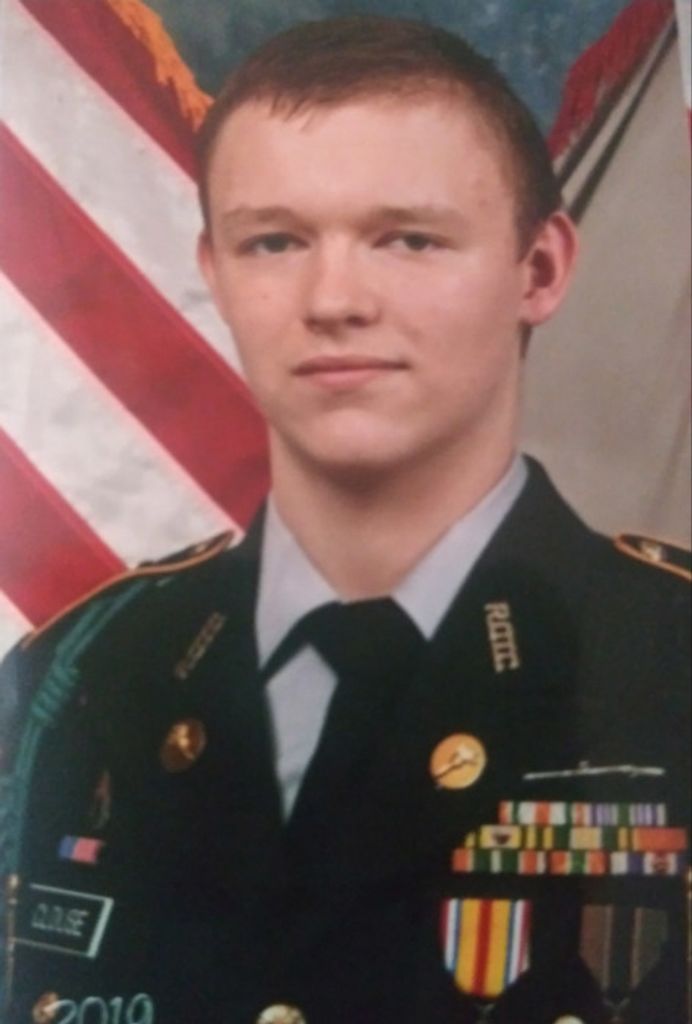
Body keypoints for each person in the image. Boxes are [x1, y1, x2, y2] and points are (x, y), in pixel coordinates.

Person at [1, 16, 689, 1024]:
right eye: (274, 241)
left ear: (538, 270)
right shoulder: (74, 677)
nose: (333, 300)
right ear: (215, 271)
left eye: (408, 238)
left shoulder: (670, 655)